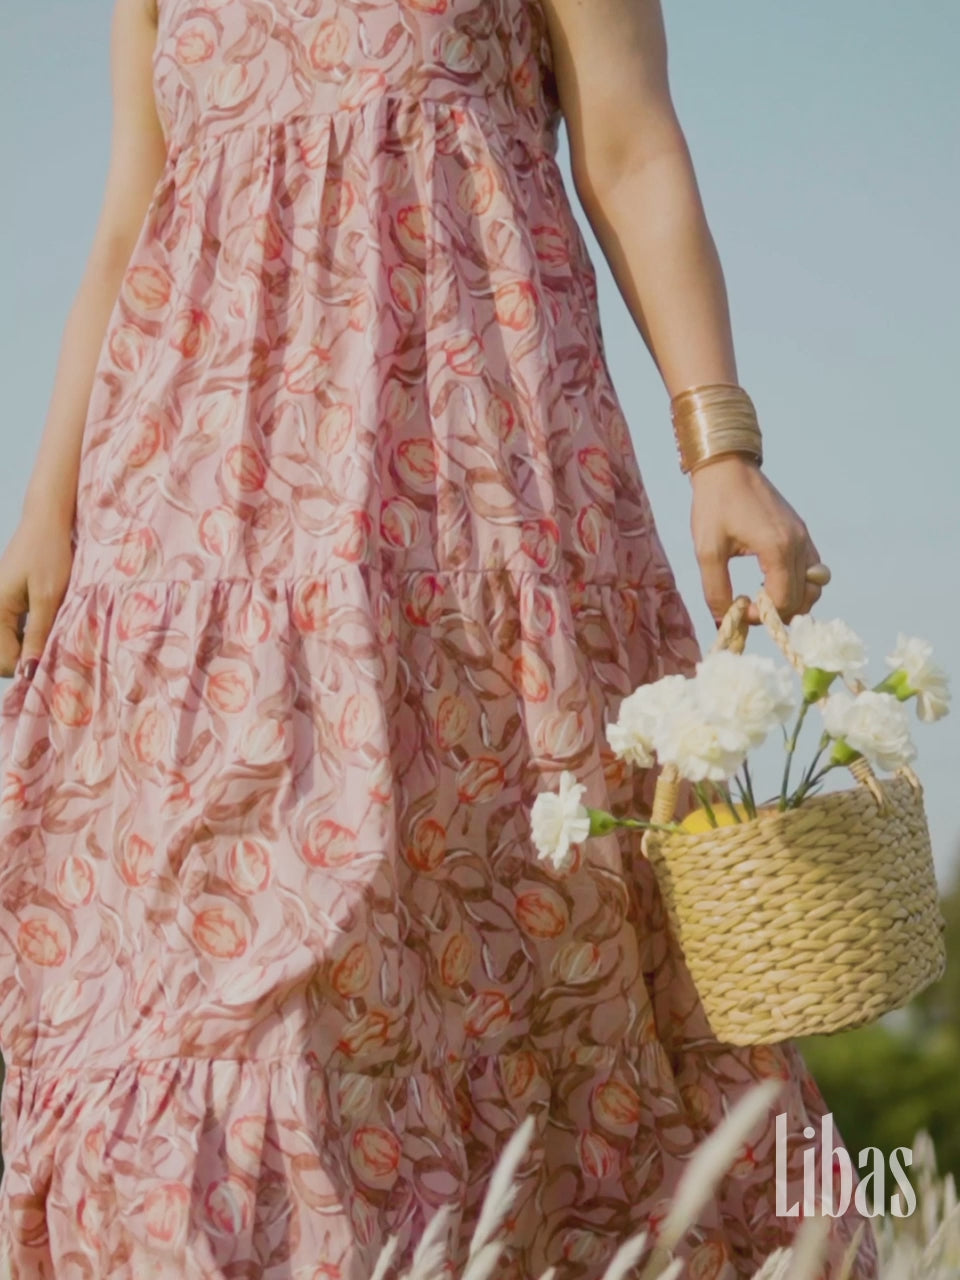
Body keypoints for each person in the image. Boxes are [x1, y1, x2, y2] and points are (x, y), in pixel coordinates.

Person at [0, 0, 878, 1277]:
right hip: (190, 514)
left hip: (462, 493)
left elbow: (629, 147)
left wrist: (723, 448)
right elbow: (135, 206)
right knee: (209, 975)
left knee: (475, 930)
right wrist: (45, 506)